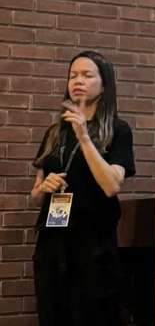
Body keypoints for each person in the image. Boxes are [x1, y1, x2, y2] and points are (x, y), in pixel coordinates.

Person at [31, 50, 135, 326]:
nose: (78, 80)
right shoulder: (54, 132)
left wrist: (85, 138)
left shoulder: (117, 130)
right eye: (73, 75)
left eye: (87, 75)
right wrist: (45, 188)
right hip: (52, 244)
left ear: (105, 84)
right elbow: (35, 195)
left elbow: (111, 185)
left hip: (93, 246)